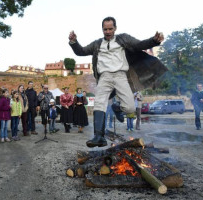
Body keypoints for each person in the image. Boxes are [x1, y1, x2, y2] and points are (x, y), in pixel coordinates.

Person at [69, 16, 166, 147]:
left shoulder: (123, 39)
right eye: (105, 29)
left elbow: (139, 45)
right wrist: (74, 42)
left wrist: (154, 41)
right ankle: (99, 137)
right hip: (104, 77)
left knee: (130, 107)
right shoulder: (97, 44)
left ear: (115, 28)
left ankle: (116, 107)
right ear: (102, 29)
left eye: (110, 29)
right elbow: (81, 51)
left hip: (120, 76)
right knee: (99, 103)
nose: (108, 32)